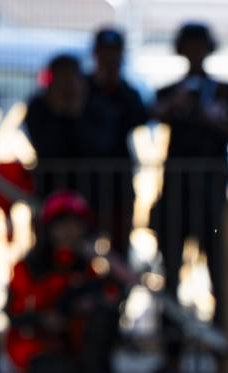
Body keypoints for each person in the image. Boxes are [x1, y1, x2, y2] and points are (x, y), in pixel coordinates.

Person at [152, 22, 228, 373]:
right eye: (188, 45)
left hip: (213, 194)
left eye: (200, 45)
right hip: (175, 194)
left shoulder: (226, 92)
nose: (194, 51)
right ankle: (171, 354)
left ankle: (222, 351)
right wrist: (175, 105)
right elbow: (151, 116)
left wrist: (218, 121)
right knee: (171, 275)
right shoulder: (168, 91)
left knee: (219, 275)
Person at [5, 191, 124, 373]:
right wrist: (43, 319)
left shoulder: (89, 268)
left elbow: (111, 296)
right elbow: (14, 313)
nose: (69, 232)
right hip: (39, 345)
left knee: (104, 315)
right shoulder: (28, 268)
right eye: (62, 225)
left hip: (73, 345)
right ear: (49, 229)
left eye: (75, 225)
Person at [24, 53, 115, 208]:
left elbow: (99, 145)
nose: (67, 86)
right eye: (61, 79)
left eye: (72, 77)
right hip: (50, 190)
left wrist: (76, 113)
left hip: (93, 193)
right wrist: (58, 112)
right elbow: (46, 146)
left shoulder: (97, 104)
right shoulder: (38, 107)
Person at [89, 28, 149, 257]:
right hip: (88, 181)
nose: (110, 58)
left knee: (120, 241)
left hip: (119, 180)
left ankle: (118, 290)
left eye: (115, 52)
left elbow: (139, 118)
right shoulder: (84, 89)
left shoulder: (128, 92)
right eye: (105, 52)